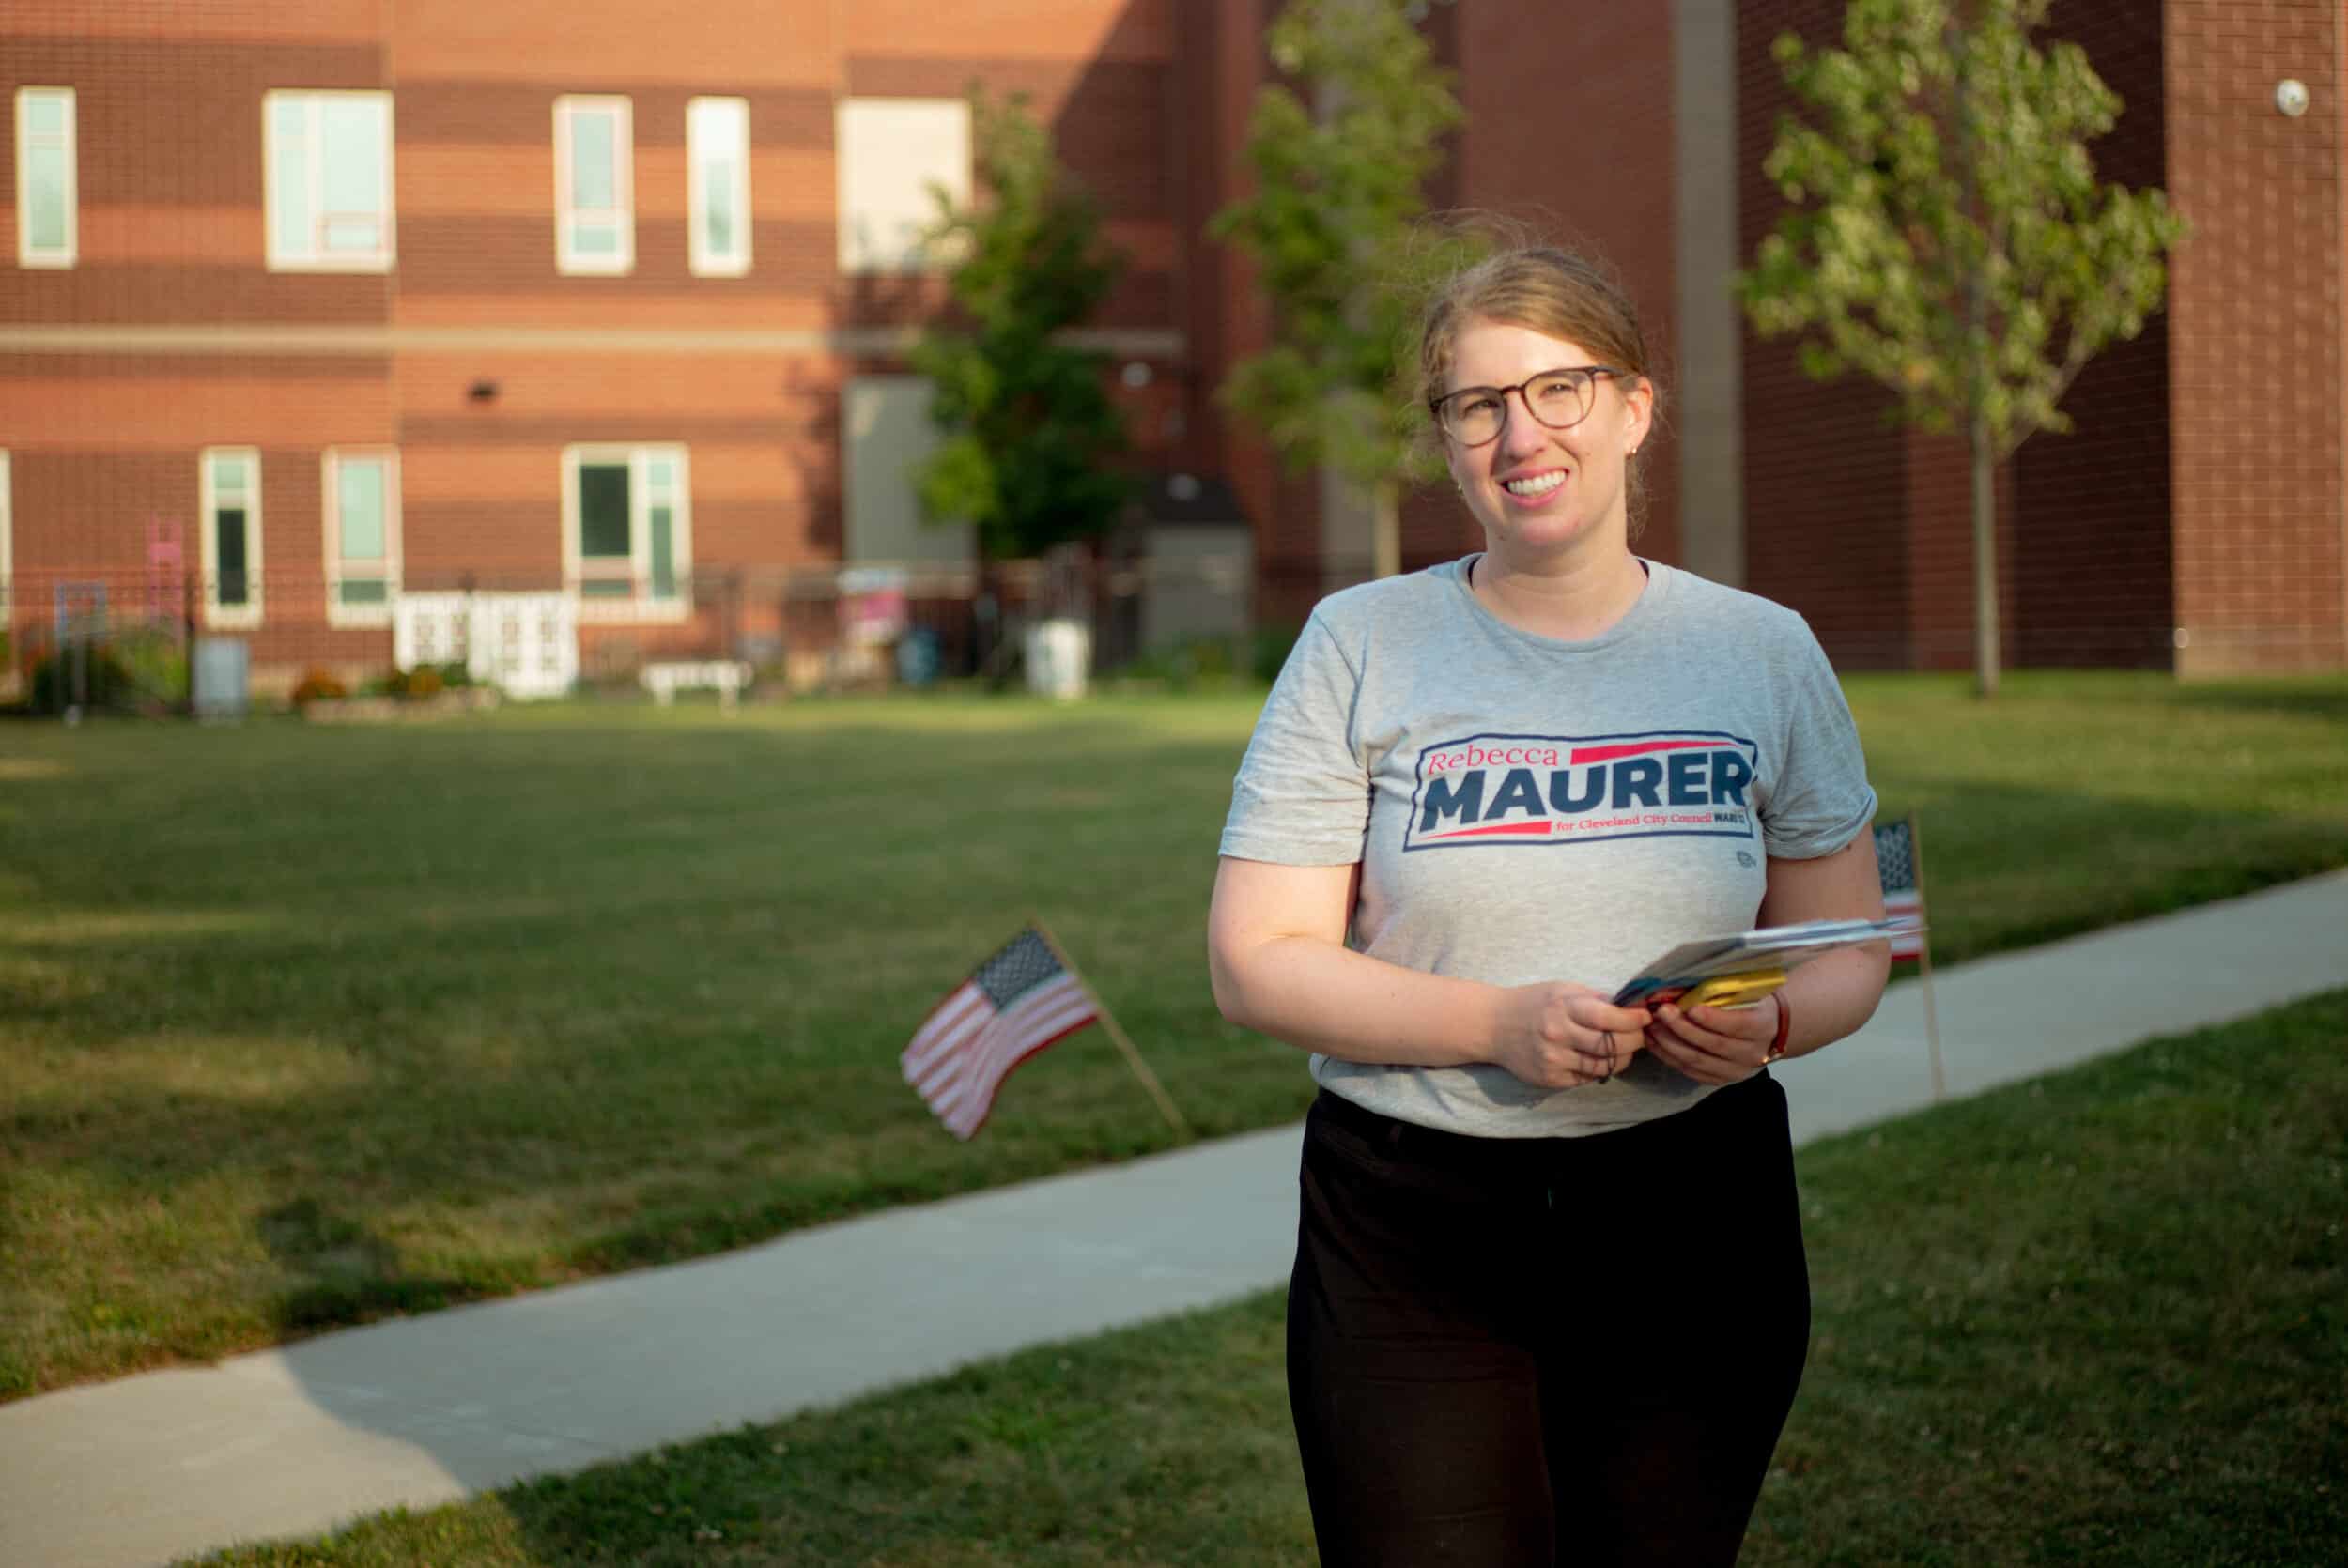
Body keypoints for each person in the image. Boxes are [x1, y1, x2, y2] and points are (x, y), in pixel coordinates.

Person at [1207, 241, 1892, 1567]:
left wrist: (1774, 1026)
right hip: (1415, 1220)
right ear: (1449, 443)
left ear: (1635, 406)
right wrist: (1496, 1022)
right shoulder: (1362, 643)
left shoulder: (1762, 651)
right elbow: (1257, 960)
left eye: (1559, 389)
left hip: (1694, 1214)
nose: (1522, 433)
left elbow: (1851, 941)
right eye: (1479, 405)